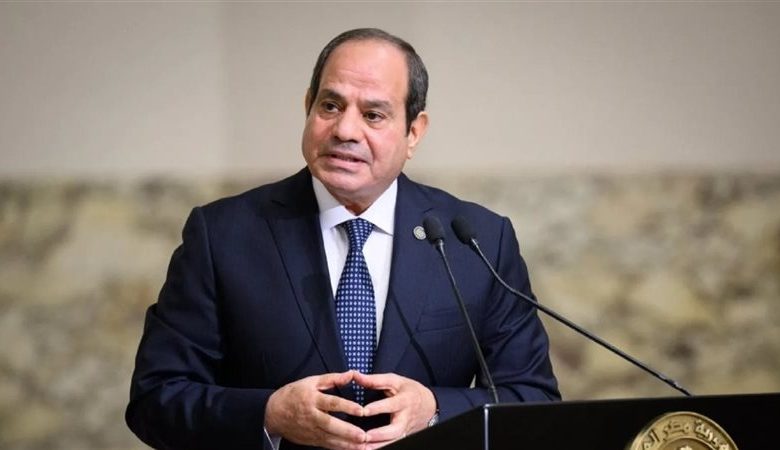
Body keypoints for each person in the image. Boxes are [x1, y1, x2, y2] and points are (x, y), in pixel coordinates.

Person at [126, 28, 559, 450]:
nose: (345, 130)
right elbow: (156, 398)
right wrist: (270, 414)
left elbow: (532, 398)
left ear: (413, 132)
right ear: (307, 107)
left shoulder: (477, 241)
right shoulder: (223, 234)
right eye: (330, 106)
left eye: (373, 115)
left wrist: (435, 408)